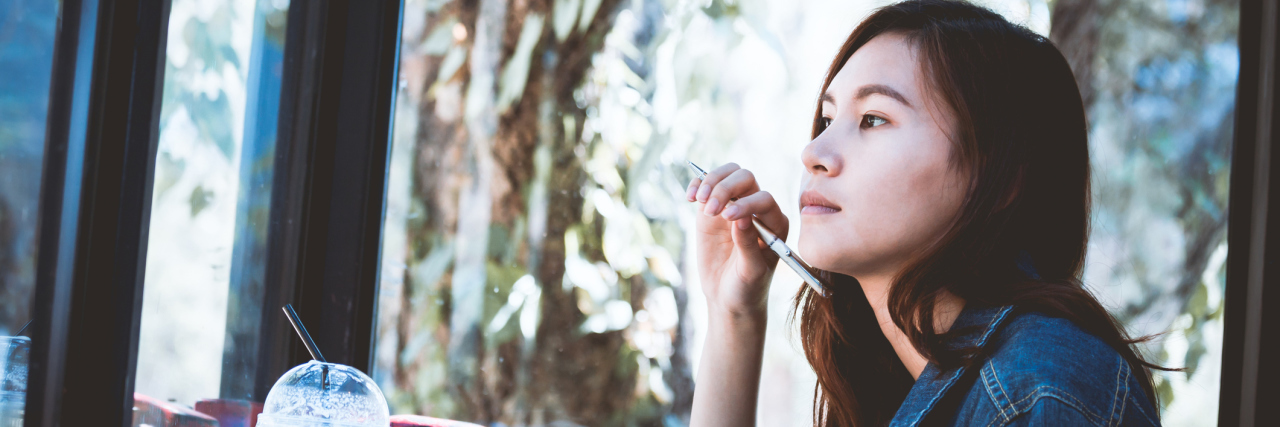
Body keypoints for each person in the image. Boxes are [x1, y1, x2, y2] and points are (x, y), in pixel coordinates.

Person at [683, 1, 1170, 426]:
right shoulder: (904, 376)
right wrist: (734, 313)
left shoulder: (1035, 392)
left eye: (873, 119)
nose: (814, 152)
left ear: (997, 178)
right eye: (828, 119)